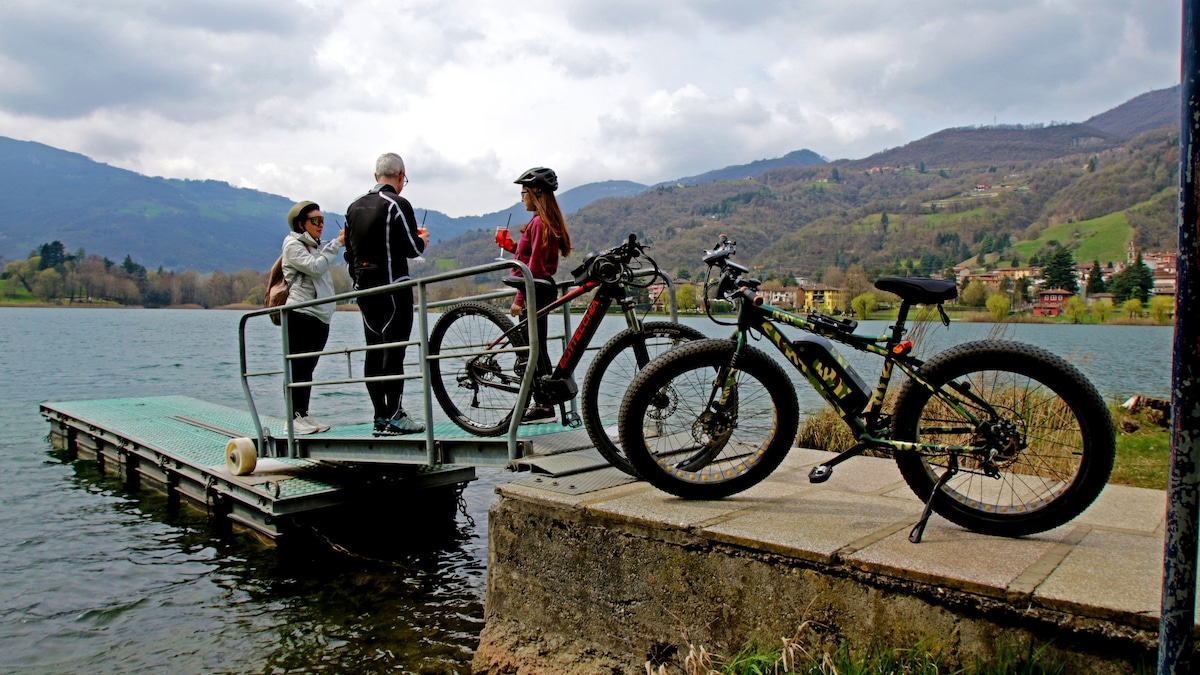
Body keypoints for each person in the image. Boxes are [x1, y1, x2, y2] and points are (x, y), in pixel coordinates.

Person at [344, 153, 430, 436]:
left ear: (375, 175)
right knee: (394, 352)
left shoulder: (353, 207)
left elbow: (349, 253)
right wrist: (422, 240)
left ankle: (380, 417)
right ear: (401, 175)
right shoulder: (397, 203)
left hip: (365, 290)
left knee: (374, 350)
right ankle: (395, 414)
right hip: (394, 288)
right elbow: (412, 248)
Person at [497, 166, 572, 423]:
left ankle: (544, 405)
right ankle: (544, 402)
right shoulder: (542, 221)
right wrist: (513, 248)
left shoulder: (539, 222)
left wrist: (520, 299)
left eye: (524, 192)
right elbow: (530, 256)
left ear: (536, 192)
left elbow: (535, 267)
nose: (522, 198)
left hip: (535, 289)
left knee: (534, 349)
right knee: (535, 347)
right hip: (539, 287)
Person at [280, 200, 345, 435]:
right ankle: (292, 418)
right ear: (300, 223)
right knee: (297, 368)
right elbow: (316, 267)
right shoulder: (293, 245)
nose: (320, 225)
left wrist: (332, 245)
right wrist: (336, 244)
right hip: (300, 313)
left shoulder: (316, 245)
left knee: (308, 369)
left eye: (322, 220)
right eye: (315, 221)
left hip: (320, 315)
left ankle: (303, 415)